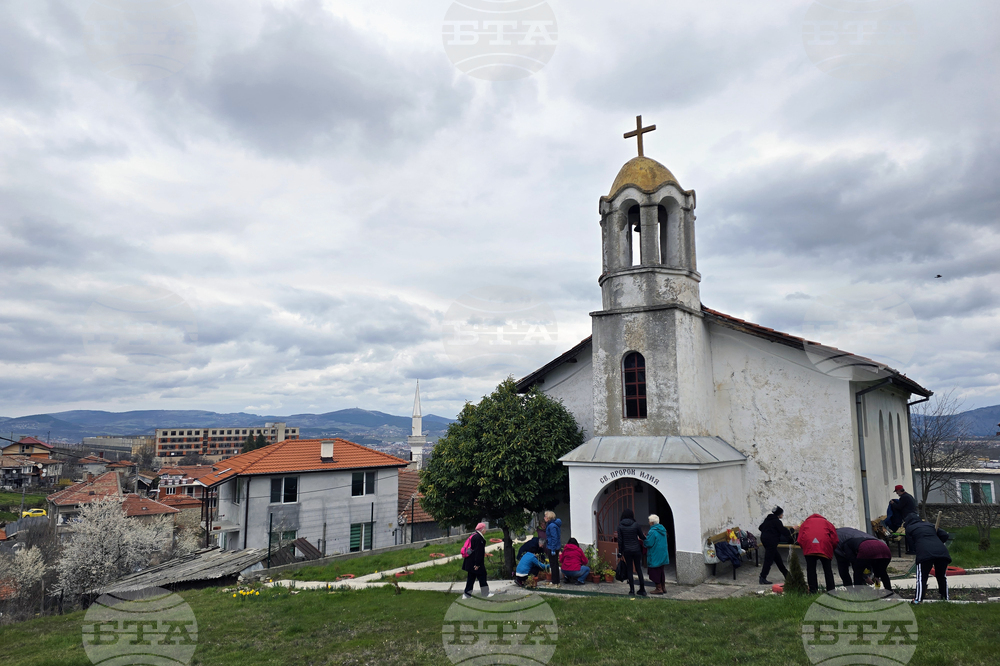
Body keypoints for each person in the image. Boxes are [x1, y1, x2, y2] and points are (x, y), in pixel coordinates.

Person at [903, 513, 951, 603]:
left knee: (921, 577)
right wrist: (936, 541)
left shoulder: (909, 529)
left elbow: (911, 545)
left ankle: (918, 600)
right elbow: (945, 535)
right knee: (941, 577)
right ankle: (945, 598)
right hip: (941, 551)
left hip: (925, 553)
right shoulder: (930, 525)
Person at [834, 526, 893, 591]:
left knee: (857, 571)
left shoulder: (844, 543)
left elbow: (854, 561)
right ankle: (889, 591)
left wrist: (865, 577)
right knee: (882, 572)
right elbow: (871, 562)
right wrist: (875, 575)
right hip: (884, 548)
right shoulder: (850, 532)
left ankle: (858, 592)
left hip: (866, 549)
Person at [797, 513, 839, 593]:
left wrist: (805, 548)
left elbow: (799, 540)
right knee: (828, 570)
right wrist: (831, 548)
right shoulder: (828, 523)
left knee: (811, 570)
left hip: (809, 548)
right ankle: (831, 590)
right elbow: (835, 539)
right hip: (824, 548)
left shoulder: (805, 524)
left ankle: (813, 590)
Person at [617, 508, 648, 597]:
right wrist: (646, 538)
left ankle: (631, 590)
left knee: (630, 570)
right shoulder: (636, 525)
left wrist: (620, 551)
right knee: (638, 569)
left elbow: (620, 540)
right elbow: (641, 536)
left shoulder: (620, 526)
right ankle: (642, 589)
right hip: (636, 549)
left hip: (627, 550)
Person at [758, 506, 792, 585]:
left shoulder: (768, 519)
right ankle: (762, 577)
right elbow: (785, 532)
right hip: (771, 541)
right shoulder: (777, 521)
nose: (782, 515)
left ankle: (787, 575)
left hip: (765, 540)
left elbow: (760, 527)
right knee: (768, 560)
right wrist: (792, 529)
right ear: (779, 514)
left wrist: (768, 531)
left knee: (777, 558)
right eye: (782, 513)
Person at [462, 523, 493, 599]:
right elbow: (479, 552)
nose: (486, 530)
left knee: (471, 578)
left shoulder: (474, 536)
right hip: (475, 563)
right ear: (482, 530)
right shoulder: (479, 538)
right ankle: (485, 593)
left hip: (470, 562)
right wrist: (477, 564)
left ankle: (466, 594)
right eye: (485, 529)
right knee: (482, 576)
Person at [643, 514, 669, 594]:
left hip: (655, 554)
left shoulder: (652, 531)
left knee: (654, 571)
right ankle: (663, 587)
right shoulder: (663, 530)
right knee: (661, 571)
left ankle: (659, 588)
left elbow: (649, 543)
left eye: (649, 521)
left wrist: (644, 539)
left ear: (651, 522)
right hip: (663, 553)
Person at [889, 486, 918, 553]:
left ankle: (912, 550)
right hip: (913, 516)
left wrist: (893, 504)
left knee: (909, 533)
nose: (896, 493)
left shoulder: (904, 497)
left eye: (896, 491)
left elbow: (899, 507)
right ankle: (913, 549)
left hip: (909, 517)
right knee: (911, 532)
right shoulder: (908, 496)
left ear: (899, 491)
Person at [544, 511, 562, 587]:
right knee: (554, 564)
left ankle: (555, 582)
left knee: (553, 565)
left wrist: (553, 549)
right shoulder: (552, 525)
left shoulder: (552, 526)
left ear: (549, 517)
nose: (544, 518)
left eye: (545, 516)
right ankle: (555, 581)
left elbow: (554, 538)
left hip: (552, 547)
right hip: (553, 546)